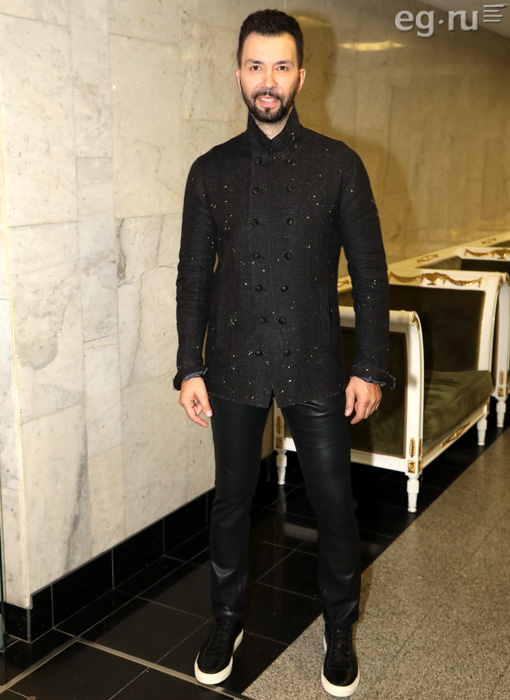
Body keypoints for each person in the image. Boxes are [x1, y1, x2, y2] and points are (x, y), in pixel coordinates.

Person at [174, 9, 394, 697]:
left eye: (280, 66)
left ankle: (339, 630)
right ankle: (226, 622)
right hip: (233, 364)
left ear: (301, 74)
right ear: (238, 73)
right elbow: (192, 276)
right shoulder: (209, 171)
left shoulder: (339, 164)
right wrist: (188, 364)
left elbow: (370, 271)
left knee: (334, 505)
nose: (266, 80)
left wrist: (370, 366)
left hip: (316, 363)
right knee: (230, 503)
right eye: (254, 66)